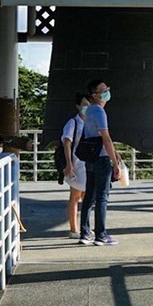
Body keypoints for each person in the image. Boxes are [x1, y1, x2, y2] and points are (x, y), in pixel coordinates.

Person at [78, 79, 122, 245]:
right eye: (104, 90)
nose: (107, 92)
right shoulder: (99, 112)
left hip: (91, 157)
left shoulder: (89, 111)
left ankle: (85, 232)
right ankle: (101, 234)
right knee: (102, 197)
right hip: (102, 158)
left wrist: (115, 155)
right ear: (95, 95)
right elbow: (106, 138)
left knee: (89, 196)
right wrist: (115, 163)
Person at [60, 93, 89, 239]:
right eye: (84, 105)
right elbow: (67, 143)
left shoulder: (92, 122)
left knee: (87, 197)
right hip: (77, 164)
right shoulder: (73, 122)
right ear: (78, 106)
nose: (87, 107)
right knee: (75, 196)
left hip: (89, 164)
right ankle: (74, 229)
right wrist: (69, 164)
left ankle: (85, 227)